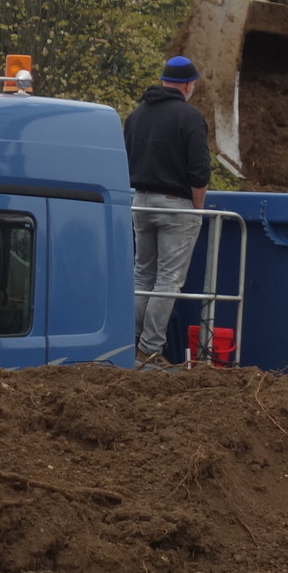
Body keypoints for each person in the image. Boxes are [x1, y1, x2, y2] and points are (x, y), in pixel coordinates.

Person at [123, 55, 210, 369]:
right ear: (188, 85)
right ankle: (149, 350)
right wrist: (197, 210)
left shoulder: (136, 116)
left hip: (140, 202)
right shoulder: (189, 117)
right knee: (168, 280)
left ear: (162, 81)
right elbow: (199, 171)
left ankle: (127, 343)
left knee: (142, 274)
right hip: (175, 206)